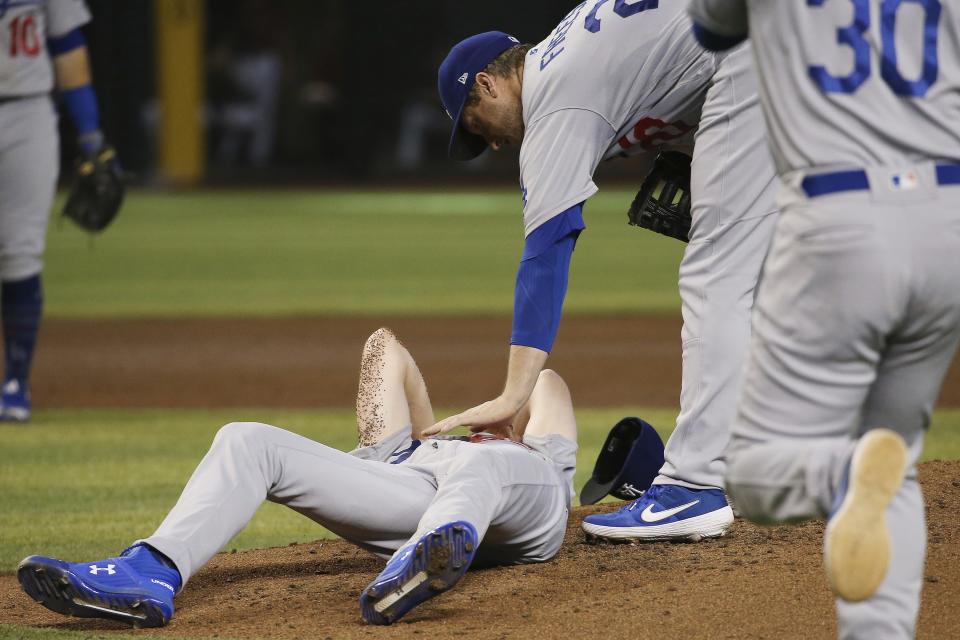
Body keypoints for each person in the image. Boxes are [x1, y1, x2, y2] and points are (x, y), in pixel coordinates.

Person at [428, 1, 778, 541]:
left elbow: (546, 252)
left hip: (756, 51)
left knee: (715, 278)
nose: (493, 143)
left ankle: (693, 486)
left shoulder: (552, 101)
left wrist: (514, 394)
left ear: (489, 83)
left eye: (479, 125)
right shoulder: (569, 52)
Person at [685, 1, 960, 638]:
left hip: (840, 217)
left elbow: (710, 29)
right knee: (895, 461)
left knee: (756, 473)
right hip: (949, 215)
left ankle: (840, 472)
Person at [17, 328, 577, 627]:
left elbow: (548, 382)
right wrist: (430, 433)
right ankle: (151, 571)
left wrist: (509, 404)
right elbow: (387, 348)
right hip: (416, 490)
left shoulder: (537, 456)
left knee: (481, 464)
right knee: (246, 437)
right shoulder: (401, 452)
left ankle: (425, 557)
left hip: (524, 505)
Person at [0, 0, 115, 422]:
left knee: (20, 251)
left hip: (26, 112)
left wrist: (90, 134)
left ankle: (15, 382)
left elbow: (68, 43)